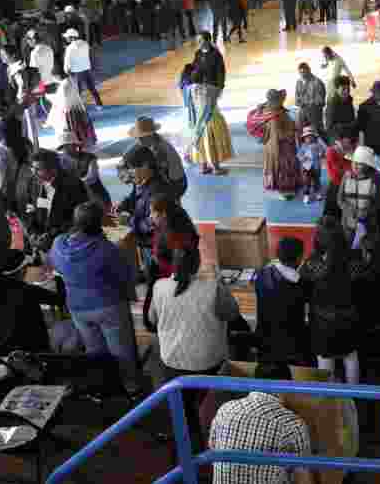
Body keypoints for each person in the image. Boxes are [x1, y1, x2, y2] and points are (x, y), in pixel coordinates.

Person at [149, 231, 239, 453]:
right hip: (209, 361)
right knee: (209, 404)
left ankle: (187, 442)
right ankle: (211, 437)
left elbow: (152, 320)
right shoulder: (213, 287)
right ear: (197, 263)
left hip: (173, 361)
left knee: (183, 406)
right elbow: (232, 314)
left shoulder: (159, 287)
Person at [48, 201, 138, 392]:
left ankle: (103, 387)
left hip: (77, 308)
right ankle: (130, 387)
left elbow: (55, 265)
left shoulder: (58, 245)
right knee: (121, 350)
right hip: (109, 306)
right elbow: (124, 276)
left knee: (94, 351)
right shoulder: (107, 249)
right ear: (99, 223)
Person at [208, 362, 312, 484]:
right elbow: (303, 476)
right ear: (286, 386)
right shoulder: (292, 424)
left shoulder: (226, 409)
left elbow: (213, 448)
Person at [300, 219, 362, 383]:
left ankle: (328, 394)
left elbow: (303, 285)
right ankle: (354, 393)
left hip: (322, 322)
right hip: (349, 319)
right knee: (351, 356)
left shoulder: (313, 263)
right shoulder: (354, 259)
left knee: (325, 360)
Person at [117, 145, 173, 275]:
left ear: (146, 165)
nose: (129, 173)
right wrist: (124, 204)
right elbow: (135, 196)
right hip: (145, 242)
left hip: (158, 246)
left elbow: (153, 223)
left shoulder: (159, 191)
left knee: (158, 275)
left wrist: (129, 221)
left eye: (132, 168)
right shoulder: (143, 181)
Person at [255, 237, 311, 364]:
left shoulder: (262, 274)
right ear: (299, 258)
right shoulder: (301, 284)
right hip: (292, 346)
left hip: (265, 341)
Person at [247, 89, 302, 198]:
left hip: (275, 146)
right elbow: (280, 134)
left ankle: (287, 187)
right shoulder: (274, 116)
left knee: (282, 167)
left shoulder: (273, 112)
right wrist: (294, 130)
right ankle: (285, 189)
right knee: (283, 167)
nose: (283, 101)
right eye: (281, 99)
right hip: (280, 148)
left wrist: (293, 126)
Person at [127, 115, 188, 199]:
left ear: (149, 135)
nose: (138, 140)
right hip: (178, 180)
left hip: (177, 184)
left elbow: (160, 175)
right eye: (137, 137)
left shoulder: (159, 150)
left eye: (140, 137)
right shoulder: (156, 141)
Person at [337, 147, 380, 243]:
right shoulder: (346, 176)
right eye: (353, 162)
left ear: (368, 165)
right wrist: (350, 210)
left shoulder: (377, 179)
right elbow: (340, 199)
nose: (355, 166)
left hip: (368, 226)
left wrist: (366, 213)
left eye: (360, 163)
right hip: (348, 225)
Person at [45, 64, 98, 149]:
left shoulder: (64, 85)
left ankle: (78, 143)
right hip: (76, 109)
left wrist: (49, 97)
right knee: (80, 127)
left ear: (57, 76)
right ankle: (83, 142)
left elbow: (62, 100)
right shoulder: (70, 81)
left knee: (74, 129)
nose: (53, 79)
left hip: (71, 111)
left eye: (53, 77)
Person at [58, 133, 112, 208]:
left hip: (95, 194)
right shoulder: (59, 161)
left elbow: (92, 178)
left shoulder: (89, 157)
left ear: (75, 145)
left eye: (67, 145)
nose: (65, 149)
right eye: (63, 146)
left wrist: (73, 183)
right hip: (75, 198)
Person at [0, 115, 34, 213]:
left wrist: (2, 189)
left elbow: (4, 173)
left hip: (11, 186)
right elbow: (31, 162)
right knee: (26, 210)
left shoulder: (0, 147)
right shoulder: (27, 143)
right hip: (27, 182)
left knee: (14, 213)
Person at [63, 28, 103, 108]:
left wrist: (66, 71)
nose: (66, 38)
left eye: (67, 37)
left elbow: (67, 62)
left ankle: (81, 107)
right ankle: (99, 104)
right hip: (87, 69)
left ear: (71, 37)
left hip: (76, 72)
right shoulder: (85, 43)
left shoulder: (69, 48)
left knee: (78, 91)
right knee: (91, 88)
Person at [295, 62, 327, 138]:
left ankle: (319, 138)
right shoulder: (299, 82)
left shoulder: (317, 82)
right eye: (301, 73)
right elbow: (297, 99)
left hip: (314, 111)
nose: (303, 75)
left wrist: (308, 103)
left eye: (304, 72)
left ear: (309, 70)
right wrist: (300, 103)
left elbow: (320, 101)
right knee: (298, 124)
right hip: (303, 110)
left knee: (316, 131)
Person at [297, 126, 326, 204]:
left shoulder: (317, 145)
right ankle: (306, 195)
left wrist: (321, 153)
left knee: (316, 181)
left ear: (313, 137)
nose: (309, 138)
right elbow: (299, 155)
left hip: (316, 167)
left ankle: (317, 193)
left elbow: (323, 151)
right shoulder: (303, 146)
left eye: (310, 136)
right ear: (304, 138)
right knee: (306, 181)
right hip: (306, 167)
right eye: (307, 137)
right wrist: (303, 158)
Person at [324, 76, 356, 143]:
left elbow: (352, 121)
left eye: (348, 89)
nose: (346, 91)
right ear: (337, 89)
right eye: (343, 89)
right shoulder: (332, 104)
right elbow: (329, 128)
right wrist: (340, 140)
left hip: (349, 137)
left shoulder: (349, 102)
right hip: (337, 140)